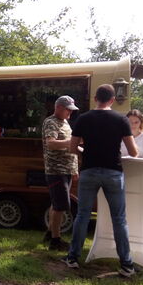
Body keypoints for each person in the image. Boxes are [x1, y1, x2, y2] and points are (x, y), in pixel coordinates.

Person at [62, 84, 139, 277]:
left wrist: (84, 150)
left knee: (82, 215)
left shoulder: (83, 119)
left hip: (89, 171)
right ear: (112, 100)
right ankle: (126, 264)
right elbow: (133, 152)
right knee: (119, 219)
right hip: (113, 172)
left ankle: (73, 258)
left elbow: (72, 148)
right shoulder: (121, 119)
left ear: (95, 98)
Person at [42, 95, 79, 251]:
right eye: (67, 110)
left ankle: (50, 233)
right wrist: (73, 142)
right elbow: (51, 144)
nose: (70, 113)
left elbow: (70, 148)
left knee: (56, 204)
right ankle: (56, 241)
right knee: (61, 205)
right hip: (56, 170)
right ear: (58, 108)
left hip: (66, 170)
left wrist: (74, 169)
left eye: (71, 111)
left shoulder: (65, 123)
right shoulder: (51, 122)